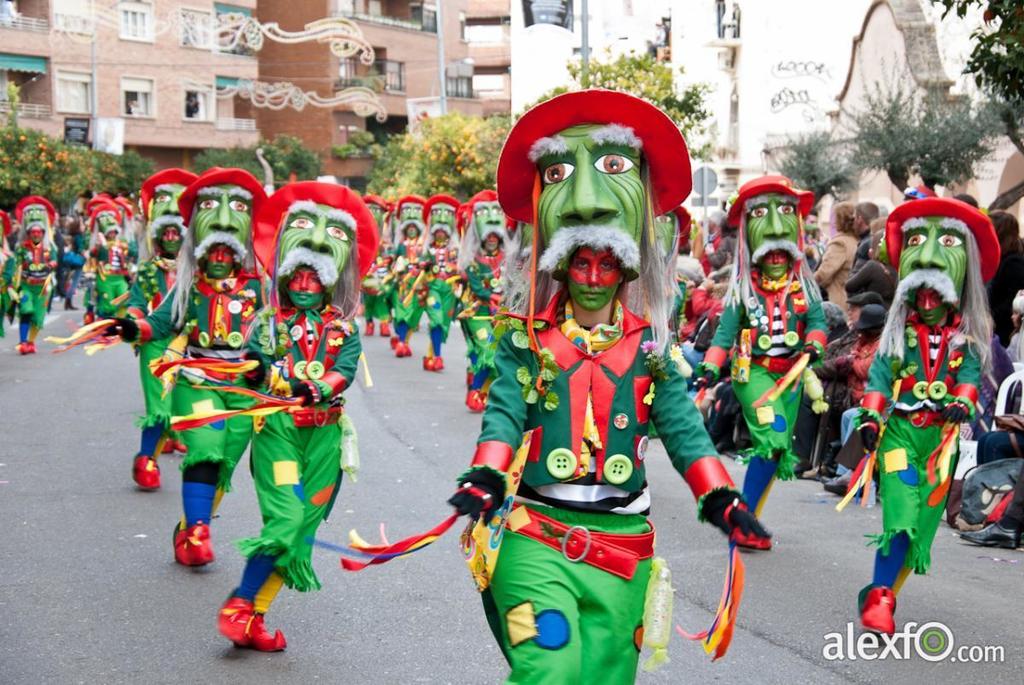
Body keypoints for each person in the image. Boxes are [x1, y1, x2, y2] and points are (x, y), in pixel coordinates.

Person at [447, 90, 767, 683]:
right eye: (580, 264)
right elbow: (504, 412)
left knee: (607, 675)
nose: (593, 278)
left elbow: (682, 429)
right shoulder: (526, 340)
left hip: (624, 550)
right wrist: (486, 475)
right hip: (533, 539)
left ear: (625, 269)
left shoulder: (653, 350)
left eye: (606, 265)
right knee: (549, 666)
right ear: (560, 267)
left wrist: (721, 497)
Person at [217, 182, 378, 651]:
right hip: (280, 433)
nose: (305, 287)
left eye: (315, 279)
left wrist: (319, 388)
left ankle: (254, 617)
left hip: (325, 442)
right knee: (285, 519)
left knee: (302, 533)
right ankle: (239, 604)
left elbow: (345, 371)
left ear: (329, 281)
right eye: (298, 278)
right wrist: (257, 367)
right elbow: (250, 367)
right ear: (285, 276)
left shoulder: (344, 329)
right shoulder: (265, 322)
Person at [104, 168, 268, 566]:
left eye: (226, 253)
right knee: (206, 452)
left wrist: (261, 363)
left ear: (238, 253)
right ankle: (198, 531)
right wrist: (132, 326)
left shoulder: (258, 288)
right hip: (196, 379)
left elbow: (270, 335)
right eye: (213, 252)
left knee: (225, 462)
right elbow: (160, 321)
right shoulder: (189, 285)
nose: (219, 259)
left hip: (243, 389)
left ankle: (188, 526)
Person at [854, 197, 998, 635]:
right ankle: (880, 602)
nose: (928, 298)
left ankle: (881, 593)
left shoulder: (967, 337)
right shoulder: (896, 335)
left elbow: (970, 379)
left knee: (921, 528)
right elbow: (879, 380)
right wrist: (871, 419)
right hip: (899, 436)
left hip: (942, 444)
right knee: (899, 515)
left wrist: (962, 402)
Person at [695, 174, 827, 550]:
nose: (775, 259)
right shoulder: (742, 290)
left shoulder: (804, 288)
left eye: (781, 255)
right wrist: (710, 366)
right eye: (769, 254)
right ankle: (746, 519)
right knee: (772, 432)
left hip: (793, 375)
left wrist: (814, 345)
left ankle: (746, 516)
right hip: (753, 373)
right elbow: (724, 335)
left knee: (775, 448)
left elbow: (817, 323)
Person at [124, 169, 197, 490]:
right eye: (164, 233)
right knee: (158, 404)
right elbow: (138, 302)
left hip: (190, 345)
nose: (170, 238)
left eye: (176, 233)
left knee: (184, 402)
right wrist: (133, 321)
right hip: (155, 341)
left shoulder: (198, 271)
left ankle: (173, 435)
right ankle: (146, 460)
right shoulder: (147, 270)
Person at [457, 190, 510, 412]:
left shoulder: (509, 258)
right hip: (476, 314)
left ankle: (486, 390)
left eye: (495, 237)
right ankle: (474, 392)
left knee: (496, 354)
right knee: (488, 351)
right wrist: (495, 297)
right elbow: (478, 289)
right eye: (488, 238)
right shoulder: (472, 262)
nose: (492, 241)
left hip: (500, 315)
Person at [6, 196, 59, 354]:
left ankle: (30, 342)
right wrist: (12, 284)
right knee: (26, 310)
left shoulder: (50, 249)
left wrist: (49, 265)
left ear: (43, 232)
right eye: (33, 232)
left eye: (39, 232)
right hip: (26, 286)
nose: (36, 234)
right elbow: (16, 266)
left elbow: (55, 262)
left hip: (42, 288)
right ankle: (22, 342)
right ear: (28, 232)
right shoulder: (22, 248)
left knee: (38, 318)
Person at [419, 194, 462, 371]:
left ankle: (431, 354)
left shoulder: (457, 250)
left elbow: (462, 269)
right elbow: (419, 266)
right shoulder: (427, 249)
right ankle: (437, 356)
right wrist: (424, 266)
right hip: (433, 288)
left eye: (444, 231)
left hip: (449, 290)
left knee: (443, 324)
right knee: (436, 320)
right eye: (438, 231)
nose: (441, 233)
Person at [389, 195, 427, 356]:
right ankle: (401, 342)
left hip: (418, 285)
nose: (411, 229)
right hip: (402, 285)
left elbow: (429, 262)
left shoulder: (424, 245)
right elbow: (392, 261)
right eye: (408, 227)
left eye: (414, 227)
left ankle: (404, 341)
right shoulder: (400, 245)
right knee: (400, 313)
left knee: (413, 316)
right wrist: (396, 264)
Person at [987, 211, 1024, 347]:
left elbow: (1010, 302)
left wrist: (988, 317)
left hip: (1002, 334)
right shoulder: (1003, 259)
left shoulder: (1013, 263)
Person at [360, 194, 394, 337]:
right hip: (367, 274)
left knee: (381, 299)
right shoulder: (360, 236)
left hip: (381, 275)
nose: (373, 214)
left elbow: (391, 255)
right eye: (370, 210)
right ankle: (369, 324)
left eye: (377, 210)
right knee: (369, 301)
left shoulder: (386, 236)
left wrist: (389, 260)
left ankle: (384, 324)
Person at [814, 201, 858, 308]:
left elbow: (824, 274)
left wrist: (806, 283)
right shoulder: (855, 241)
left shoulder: (839, 244)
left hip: (837, 300)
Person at [844, 219, 896, 306]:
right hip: (892, 314)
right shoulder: (897, 267)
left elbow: (849, 286)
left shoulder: (872, 266)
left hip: (873, 312)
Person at [851, 202, 879, 272]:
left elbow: (856, 277)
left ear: (860, 220)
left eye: (854, 219)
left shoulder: (865, 245)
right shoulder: (880, 240)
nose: (852, 223)